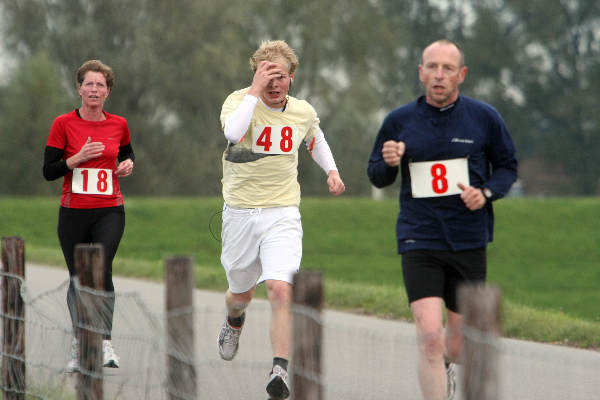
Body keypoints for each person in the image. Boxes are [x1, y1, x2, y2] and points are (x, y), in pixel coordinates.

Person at [367, 39, 517, 400]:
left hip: (468, 239)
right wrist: (388, 162)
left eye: (447, 68)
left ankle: (449, 366)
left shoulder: (484, 118)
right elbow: (377, 175)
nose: (438, 74)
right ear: (420, 73)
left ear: (460, 75)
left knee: (457, 346)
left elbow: (507, 167)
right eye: (431, 67)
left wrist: (485, 194)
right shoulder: (399, 121)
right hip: (420, 239)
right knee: (431, 340)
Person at [217, 40, 345, 399]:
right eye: (267, 76)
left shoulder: (302, 111)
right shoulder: (238, 102)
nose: (275, 84)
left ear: (292, 78)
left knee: (279, 288)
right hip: (241, 212)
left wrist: (331, 171)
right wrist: (254, 92)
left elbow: (314, 137)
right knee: (239, 294)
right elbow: (233, 133)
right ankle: (234, 320)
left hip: (283, 212)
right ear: (256, 73)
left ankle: (280, 370)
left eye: (282, 77)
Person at [43, 59, 135, 372]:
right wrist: (76, 159)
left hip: (110, 209)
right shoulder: (63, 124)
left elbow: (126, 152)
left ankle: (105, 341)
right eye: (89, 84)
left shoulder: (118, 124)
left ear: (108, 92)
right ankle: (80, 343)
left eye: (101, 85)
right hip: (73, 212)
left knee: (101, 266)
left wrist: (127, 165)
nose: (94, 90)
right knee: (79, 277)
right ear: (79, 88)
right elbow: (48, 171)